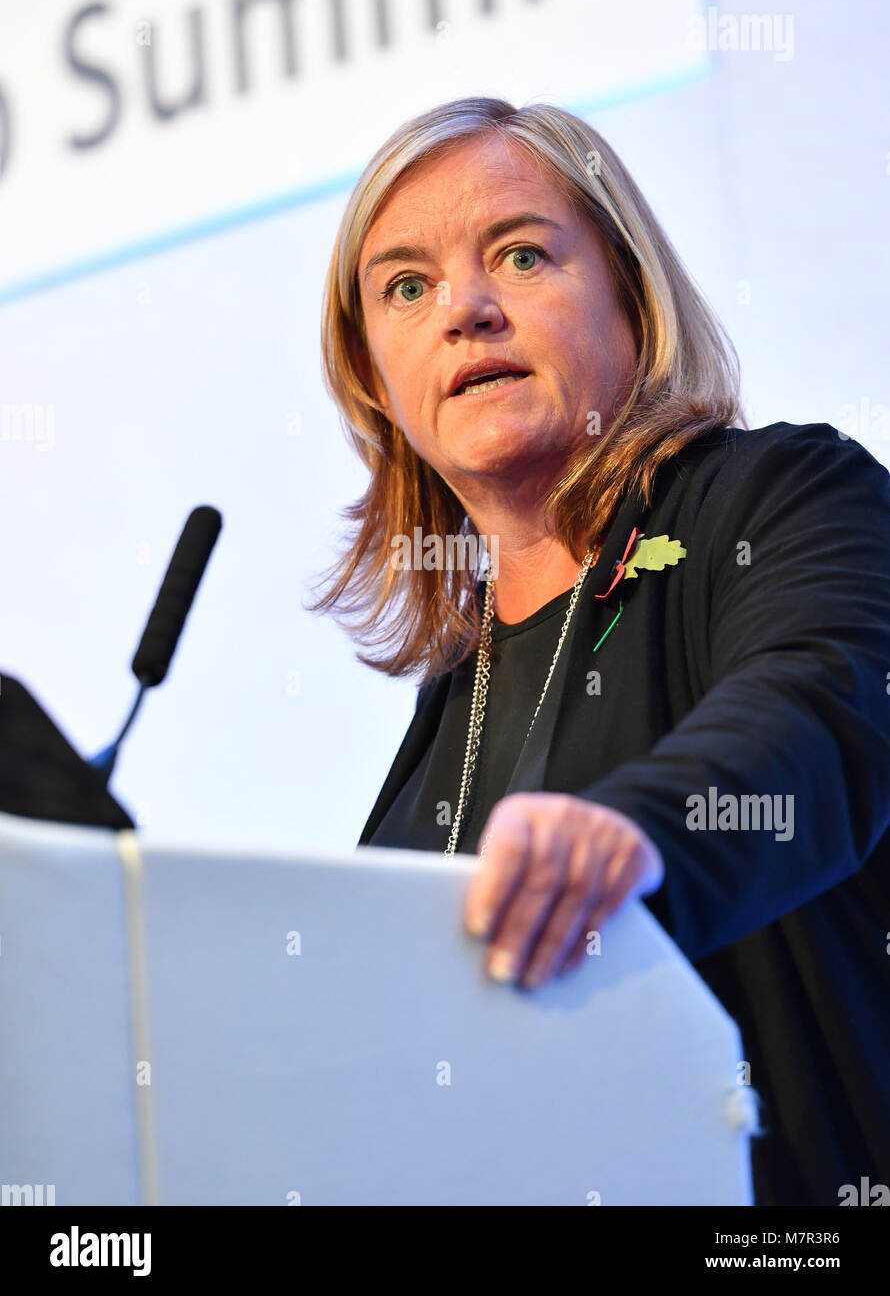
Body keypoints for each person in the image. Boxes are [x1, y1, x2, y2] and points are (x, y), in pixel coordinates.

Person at [310, 95, 890, 1207]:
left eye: (520, 255)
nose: (464, 310)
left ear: (631, 293)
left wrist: (630, 834)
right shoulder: (452, 702)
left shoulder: (780, 496)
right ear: (376, 381)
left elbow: (819, 707)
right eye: (406, 287)